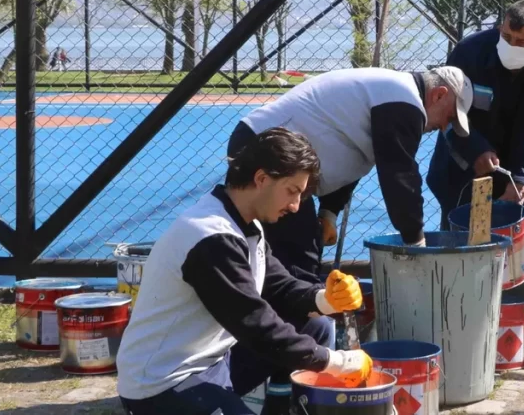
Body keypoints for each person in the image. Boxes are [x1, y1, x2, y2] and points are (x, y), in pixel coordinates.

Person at [115, 127, 372, 415]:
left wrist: (325, 299)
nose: (296, 206)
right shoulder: (211, 237)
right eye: (292, 191)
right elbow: (257, 326)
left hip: (210, 361)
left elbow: (278, 285)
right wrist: (338, 362)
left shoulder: (244, 223)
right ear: (261, 178)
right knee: (299, 343)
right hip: (161, 383)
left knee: (316, 326)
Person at [229, 66, 474, 284]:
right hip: (266, 149)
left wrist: (329, 212)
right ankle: (293, 328)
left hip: (265, 145)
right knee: (296, 259)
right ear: (439, 94)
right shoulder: (404, 101)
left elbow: (351, 155)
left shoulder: (391, 93)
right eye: (449, 116)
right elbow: (400, 177)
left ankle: (279, 321)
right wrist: (416, 243)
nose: (444, 126)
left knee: (280, 254)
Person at [426, 0, 524, 275]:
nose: (510, 44)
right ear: (498, 29)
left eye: (520, 41)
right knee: (462, 254)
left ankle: (512, 308)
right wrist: (475, 150)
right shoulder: (468, 54)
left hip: (518, 176)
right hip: (463, 170)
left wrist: (523, 179)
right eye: (506, 36)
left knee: (513, 259)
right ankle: (460, 311)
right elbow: (443, 111)